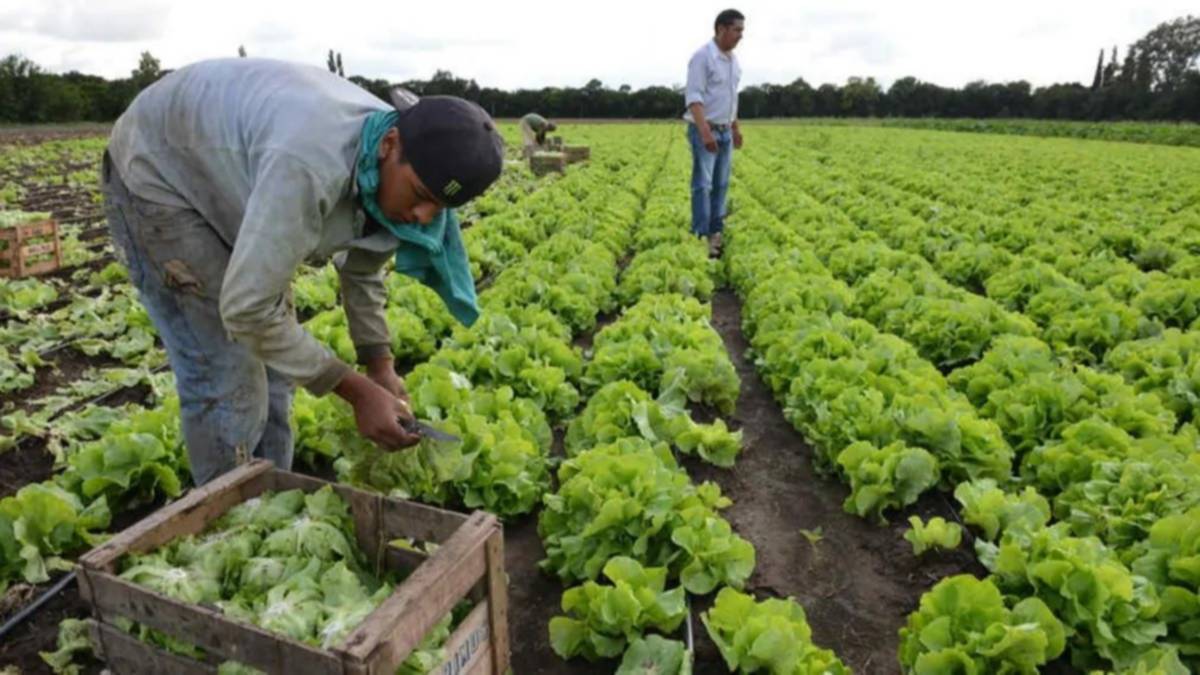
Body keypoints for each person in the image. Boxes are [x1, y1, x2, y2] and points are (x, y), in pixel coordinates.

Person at [101, 57, 505, 485]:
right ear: (389, 144)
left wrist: (379, 365)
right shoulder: (310, 162)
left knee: (277, 366)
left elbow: (363, 269)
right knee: (226, 370)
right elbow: (246, 311)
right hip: (160, 169)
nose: (424, 216)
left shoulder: (392, 173)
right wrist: (355, 391)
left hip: (237, 168)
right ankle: (225, 516)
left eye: (439, 208)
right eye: (421, 196)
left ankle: (272, 493)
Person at [684, 9, 744, 257]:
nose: (740, 36)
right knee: (703, 184)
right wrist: (704, 131)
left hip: (725, 131)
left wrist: (735, 127)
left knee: (721, 184)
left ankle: (715, 232)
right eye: (737, 30)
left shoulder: (733, 61)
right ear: (721, 29)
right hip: (705, 130)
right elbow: (694, 97)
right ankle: (701, 235)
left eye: (742, 31)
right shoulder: (703, 57)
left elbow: (730, 98)